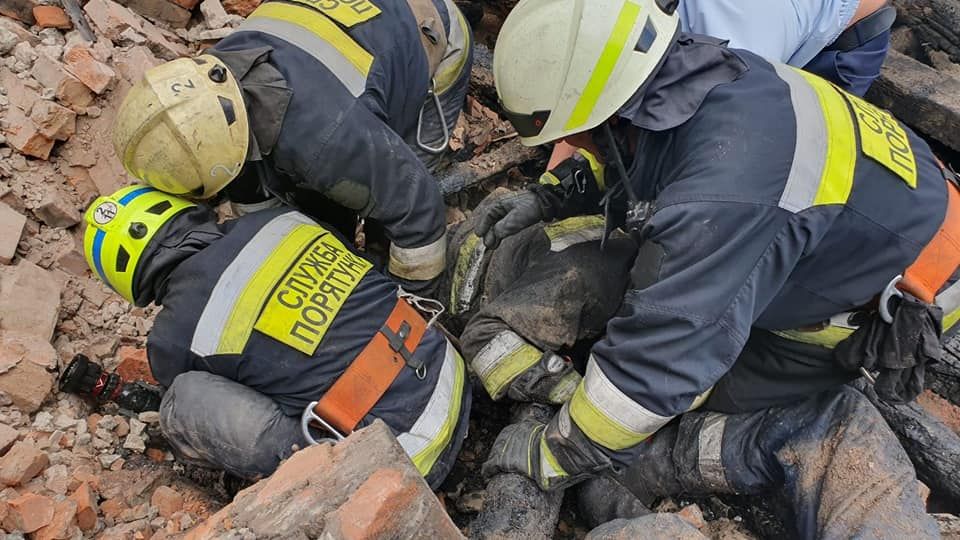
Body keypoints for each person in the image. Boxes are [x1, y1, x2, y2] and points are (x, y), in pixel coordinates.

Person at [476, 0, 960, 536]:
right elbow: (646, 152)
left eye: (579, 134)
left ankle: (717, 448)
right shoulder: (706, 72)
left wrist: (557, 451)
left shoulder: (726, 192)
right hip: (889, 214)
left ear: (613, 114)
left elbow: (661, 360)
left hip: (903, 294)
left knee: (697, 389)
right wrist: (553, 195)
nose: (577, 147)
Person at [81, 185, 470, 488]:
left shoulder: (170, 340)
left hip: (404, 455)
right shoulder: (280, 221)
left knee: (181, 402)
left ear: (128, 281)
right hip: (448, 370)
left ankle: (304, 471)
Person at [111, 0, 473, 295]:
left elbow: (416, 207)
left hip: (429, 28)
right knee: (325, 186)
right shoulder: (207, 94)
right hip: (352, 29)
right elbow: (263, 206)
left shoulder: (326, 139)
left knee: (397, 199)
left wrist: (411, 298)